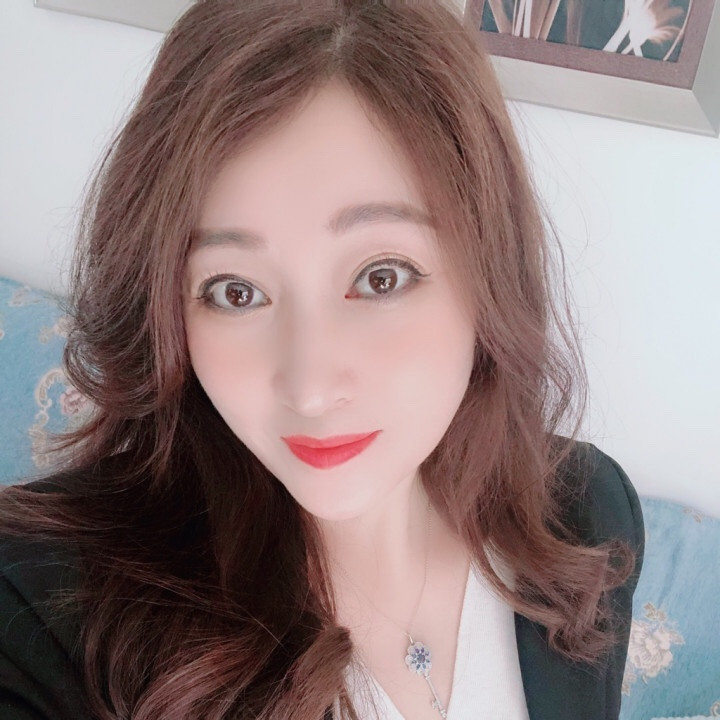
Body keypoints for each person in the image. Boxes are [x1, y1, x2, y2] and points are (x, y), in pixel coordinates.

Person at [0, 1, 645, 719]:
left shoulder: (584, 513)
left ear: (489, 270)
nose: (309, 389)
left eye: (381, 277)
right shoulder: (37, 612)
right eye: (236, 291)